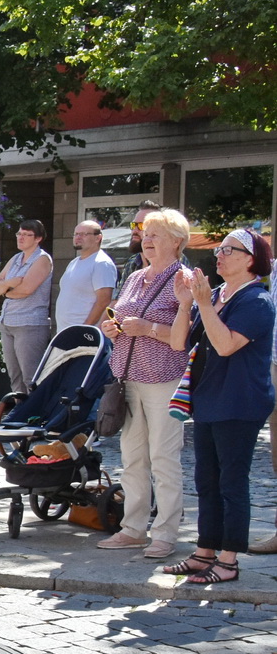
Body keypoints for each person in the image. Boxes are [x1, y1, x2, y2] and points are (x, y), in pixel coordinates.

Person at [149, 229, 275, 585]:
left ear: (250, 260)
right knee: (206, 480)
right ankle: (205, 551)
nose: (218, 255)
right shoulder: (217, 294)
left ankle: (229, 560)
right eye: (219, 249)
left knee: (231, 483)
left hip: (239, 403)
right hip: (209, 400)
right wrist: (186, 302)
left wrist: (203, 304)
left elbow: (225, 346)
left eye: (228, 250)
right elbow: (177, 342)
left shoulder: (256, 301)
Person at [97, 209, 191, 559]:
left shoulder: (181, 278)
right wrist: (114, 327)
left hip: (164, 378)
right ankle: (133, 529)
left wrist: (147, 329)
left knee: (164, 458)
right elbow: (121, 318)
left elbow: (185, 337)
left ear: (177, 242)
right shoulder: (136, 277)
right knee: (133, 457)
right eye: (145, 233)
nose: (146, 240)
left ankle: (165, 533)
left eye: (156, 234)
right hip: (128, 378)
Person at [0, 220, 54, 394]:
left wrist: (5, 291)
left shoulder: (42, 259)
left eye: (27, 235)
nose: (21, 237)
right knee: (15, 376)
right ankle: (19, 413)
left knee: (31, 377)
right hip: (8, 322)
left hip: (29, 324)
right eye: (19, 233)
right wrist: (10, 284)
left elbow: (27, 289)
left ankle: (35, 414)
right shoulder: (16, 258)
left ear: (38, 238)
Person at [56, 219, 118, 330]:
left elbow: (104, 301)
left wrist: (85, 328)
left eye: (84, 234)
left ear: (98, 238)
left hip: (84, 334)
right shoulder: (73, 262)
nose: (78, 237)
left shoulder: (101, 263)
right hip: (64, 331)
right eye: (76, 234)